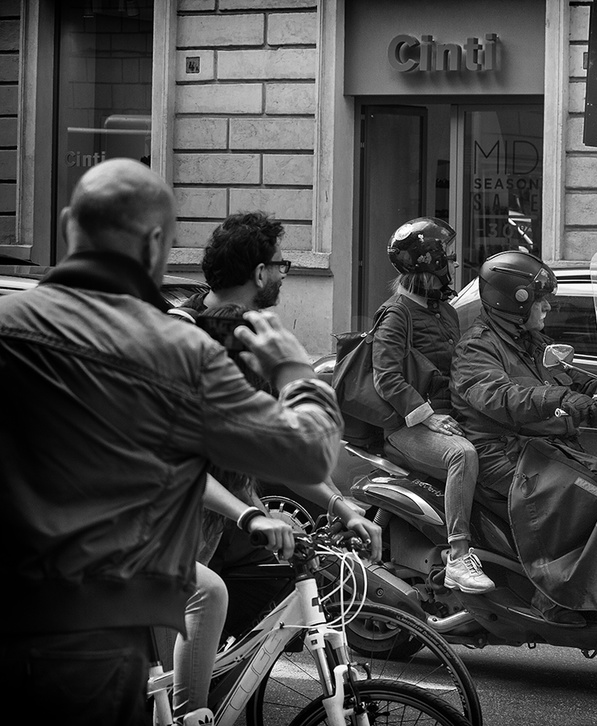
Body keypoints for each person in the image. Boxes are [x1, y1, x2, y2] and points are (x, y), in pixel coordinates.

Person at [0, 158, 343, 725]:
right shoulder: (176, 349)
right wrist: (293, 371)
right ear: (157, 244)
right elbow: (307, 452)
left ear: (65, 226)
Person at [169, 220, 382, 723]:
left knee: (262, 583)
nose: (285, 274)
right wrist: (250, 514)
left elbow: (278, 451)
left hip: (213, 523)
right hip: (167, 523)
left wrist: (339, 504)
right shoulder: (187, 337)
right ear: (261, 272)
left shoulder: (245, 333)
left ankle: (214, 682)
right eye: (281, 264)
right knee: (205, 611)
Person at [450, 250, 597, 621]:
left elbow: (568, 376)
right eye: (540, 300)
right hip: (501, 453)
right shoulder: (477, 347)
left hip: (540, 446)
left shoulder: (529, 341)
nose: (547, 306)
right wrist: (560, 399)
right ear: (514, 302)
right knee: (580, 495)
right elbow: (499, 396)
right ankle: (552, 597)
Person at [371, 217, 493, 594]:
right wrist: (429, 418)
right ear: (432, 263)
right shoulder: (397, 314)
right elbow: (386, 378)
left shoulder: (446, 311)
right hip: (406, 428)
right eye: (449, 257)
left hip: (449, 417)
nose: (454, 263)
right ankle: (458, 556)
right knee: (462, 455)